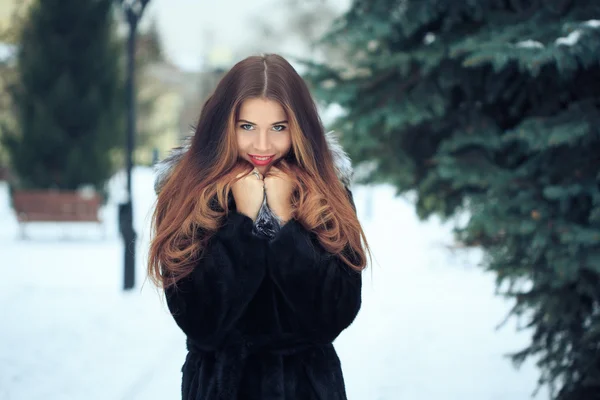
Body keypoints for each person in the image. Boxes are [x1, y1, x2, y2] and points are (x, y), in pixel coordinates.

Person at [148, 53, 370, 400]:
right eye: (247, 126)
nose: (263, 145)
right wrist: (242, 222)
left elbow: (333, 317)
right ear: (224, 125)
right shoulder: (187, 194)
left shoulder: (326, 192)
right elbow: (199, 322)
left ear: (299, 128)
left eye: (278, 127)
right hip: (221, 387)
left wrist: (285, 223)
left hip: (309, 388)